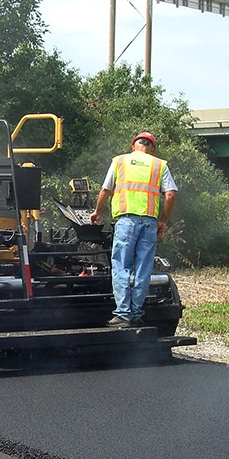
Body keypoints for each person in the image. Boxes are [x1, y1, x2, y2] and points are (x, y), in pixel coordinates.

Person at [89, 132, 177, 327]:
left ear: (133, 146)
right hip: (149, 223)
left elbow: (105, 190)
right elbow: (170, 195)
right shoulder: (159, 165)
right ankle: (136, 313)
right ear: (152, 149)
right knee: (143, 268)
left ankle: (122, 314)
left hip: (126, 221)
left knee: (121, 266)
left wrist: (97, 212)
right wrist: (163, 221)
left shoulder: (120, 161)